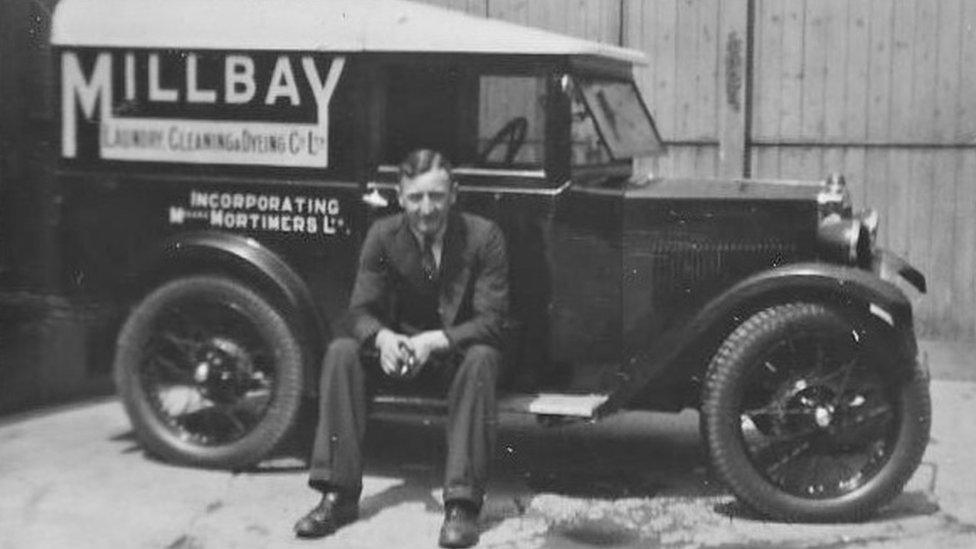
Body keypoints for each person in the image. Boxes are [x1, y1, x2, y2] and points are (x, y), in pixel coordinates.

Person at [294, 149, 510, 548]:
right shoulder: (382, 235)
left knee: (483, 358)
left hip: (452, 359)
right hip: (399, 357)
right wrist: (383, 339)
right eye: (415, 198)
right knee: (342, 352)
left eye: (436, 196)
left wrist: (435, 341)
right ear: (399, 196)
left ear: (454, 194)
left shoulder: (484, 237)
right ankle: (338, 495)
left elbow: (492, 322)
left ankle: (462, 505)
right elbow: (358, 311)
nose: (426, 209)